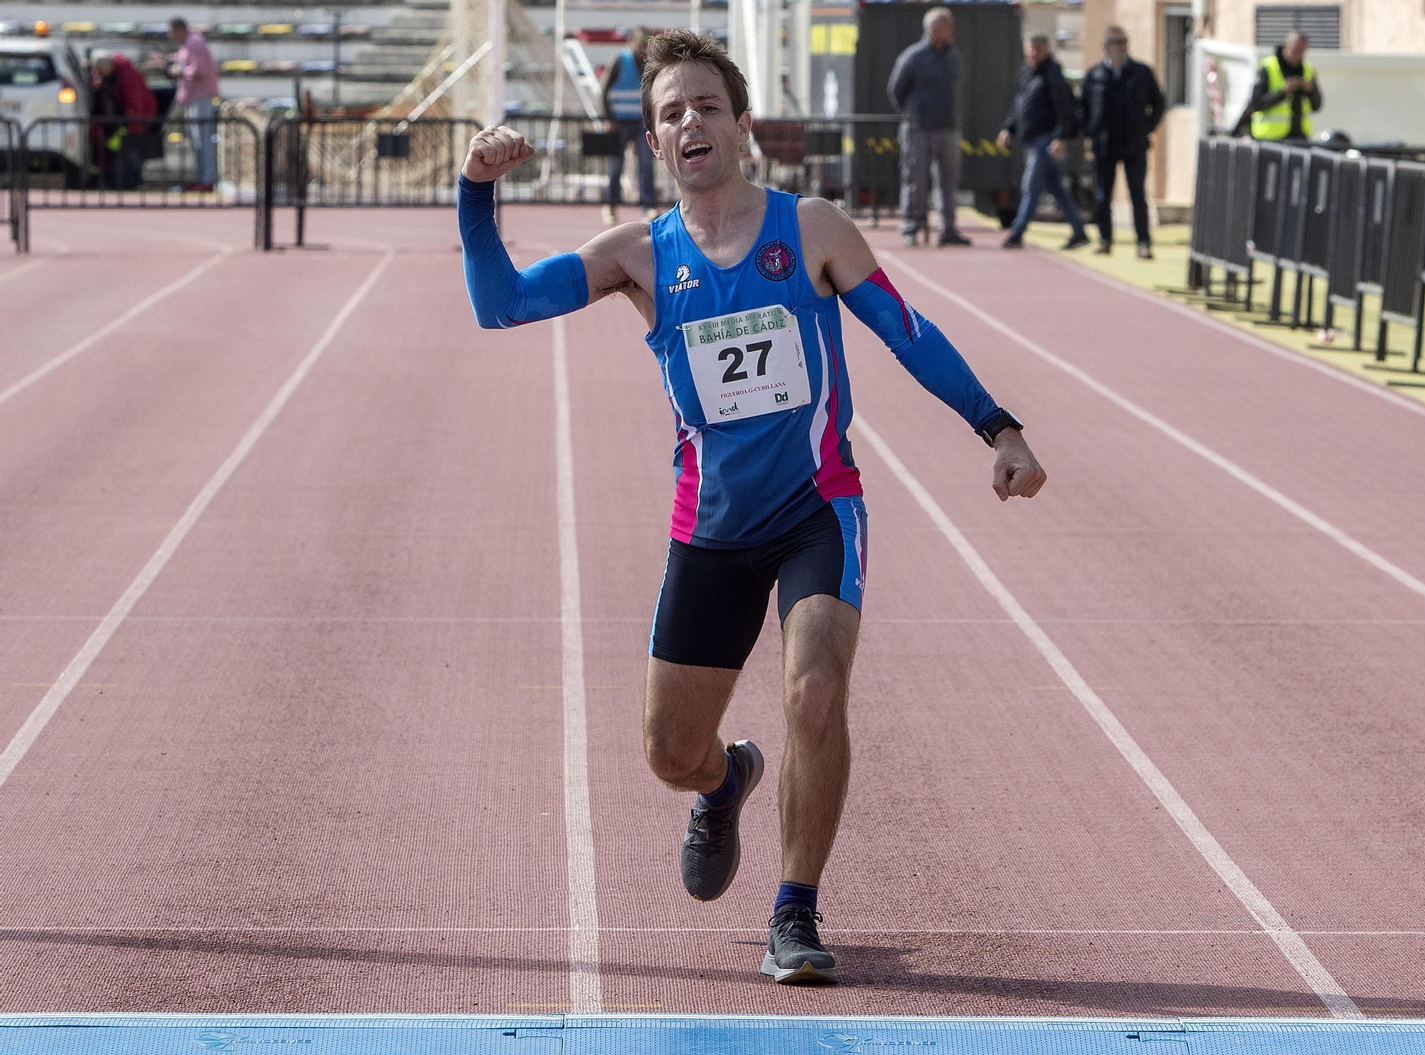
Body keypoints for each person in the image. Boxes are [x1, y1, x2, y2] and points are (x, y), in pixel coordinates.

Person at [458, 29, 1046, 985]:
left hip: (819, 509)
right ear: (655, 143)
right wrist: (476, 189)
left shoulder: (810, 229)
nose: (692, 121)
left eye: (707, 105)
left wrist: (999, 427)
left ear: (741, 125)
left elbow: (910, 333)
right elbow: (499, 305)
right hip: (713, 530)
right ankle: (727, 779)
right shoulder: (637, 257)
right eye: (672, 112)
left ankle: (796, 912)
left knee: (815, 688)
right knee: (668, 753)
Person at [1080, 25, 1165, 259]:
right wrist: (1090, 131)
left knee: (1138, 194)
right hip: (1105, 144)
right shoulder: (1095, 74)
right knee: (1102, 195)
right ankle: (1105, 239)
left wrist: (1147, 127)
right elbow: (1083, 107)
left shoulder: (1141, 72)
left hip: (1134, 144)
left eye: (1123, 41)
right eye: (1114, 42)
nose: (1119, 46)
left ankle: (1143, 242)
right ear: (1105, 46)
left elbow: (1158, 103)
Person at [886, 8, 969, 248]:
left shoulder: (954, 55)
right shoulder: (913, 56)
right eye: (946, 27)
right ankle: (913, 226)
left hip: (948, 127)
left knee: (949, 181)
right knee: (915, 180)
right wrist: (914, 114)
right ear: (933, 29)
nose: (950, 32)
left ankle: (948, 229)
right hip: (918, 128)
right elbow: (896, 90)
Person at [998, 34, 1089, 251]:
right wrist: (1008, 128)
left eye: (1038, 48)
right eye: (1030, 48)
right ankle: (1079, 231)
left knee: (1031, 186)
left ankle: (1017, 232)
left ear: (1047, 50)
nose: (1033, 53)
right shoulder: (1026, 73)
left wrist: (1060, 138)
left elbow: (1064, 108)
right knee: (1057, 188)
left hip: (1047, 140)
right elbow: (1019, 105)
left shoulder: (1053, 73)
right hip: (1031, 140)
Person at [600, 28, 658, 225]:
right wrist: (608, 118)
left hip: (642, 123)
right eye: (640, 41)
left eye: (646, 42)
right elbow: (604, 90)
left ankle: (648, 205)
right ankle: (610, 205)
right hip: (619, 122)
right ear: (632, 41)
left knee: (646, 165)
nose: (642, 46)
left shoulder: (651, 64)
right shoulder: (620, 60)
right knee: (616, 166)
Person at [163, 17, 221, 192]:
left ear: (178, 29)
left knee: (203, 139)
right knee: (197, 141)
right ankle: (202, 178)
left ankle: (208, 180)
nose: (169, 34)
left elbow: (198, 70)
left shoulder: (195, 43)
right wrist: (168, 60)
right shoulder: (188, 44)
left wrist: (177, 70)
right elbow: (184, 60)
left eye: (171, 30)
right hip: (193, 98)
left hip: (200, 97)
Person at [89, 50, 158, 191]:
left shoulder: (128, 76)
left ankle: (130, 184)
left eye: (100, 69)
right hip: (119, 124)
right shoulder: (105, 76)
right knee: (117, 158)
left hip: (135, 124)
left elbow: (135, 105)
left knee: (131, 159)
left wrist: (131, 127)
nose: (98, 73)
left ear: (108, 65)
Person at [1240, 31, 1321, 142]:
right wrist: (1283, 92)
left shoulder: (1308, 69)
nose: (1300, 55)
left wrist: (1311, 91)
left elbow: (1317, 106)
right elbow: (1256, 104)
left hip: (1300, 138)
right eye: (1296, 50)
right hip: (1269, 139)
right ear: (1286, 47)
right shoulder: (1268, 67)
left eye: (1303, 51)